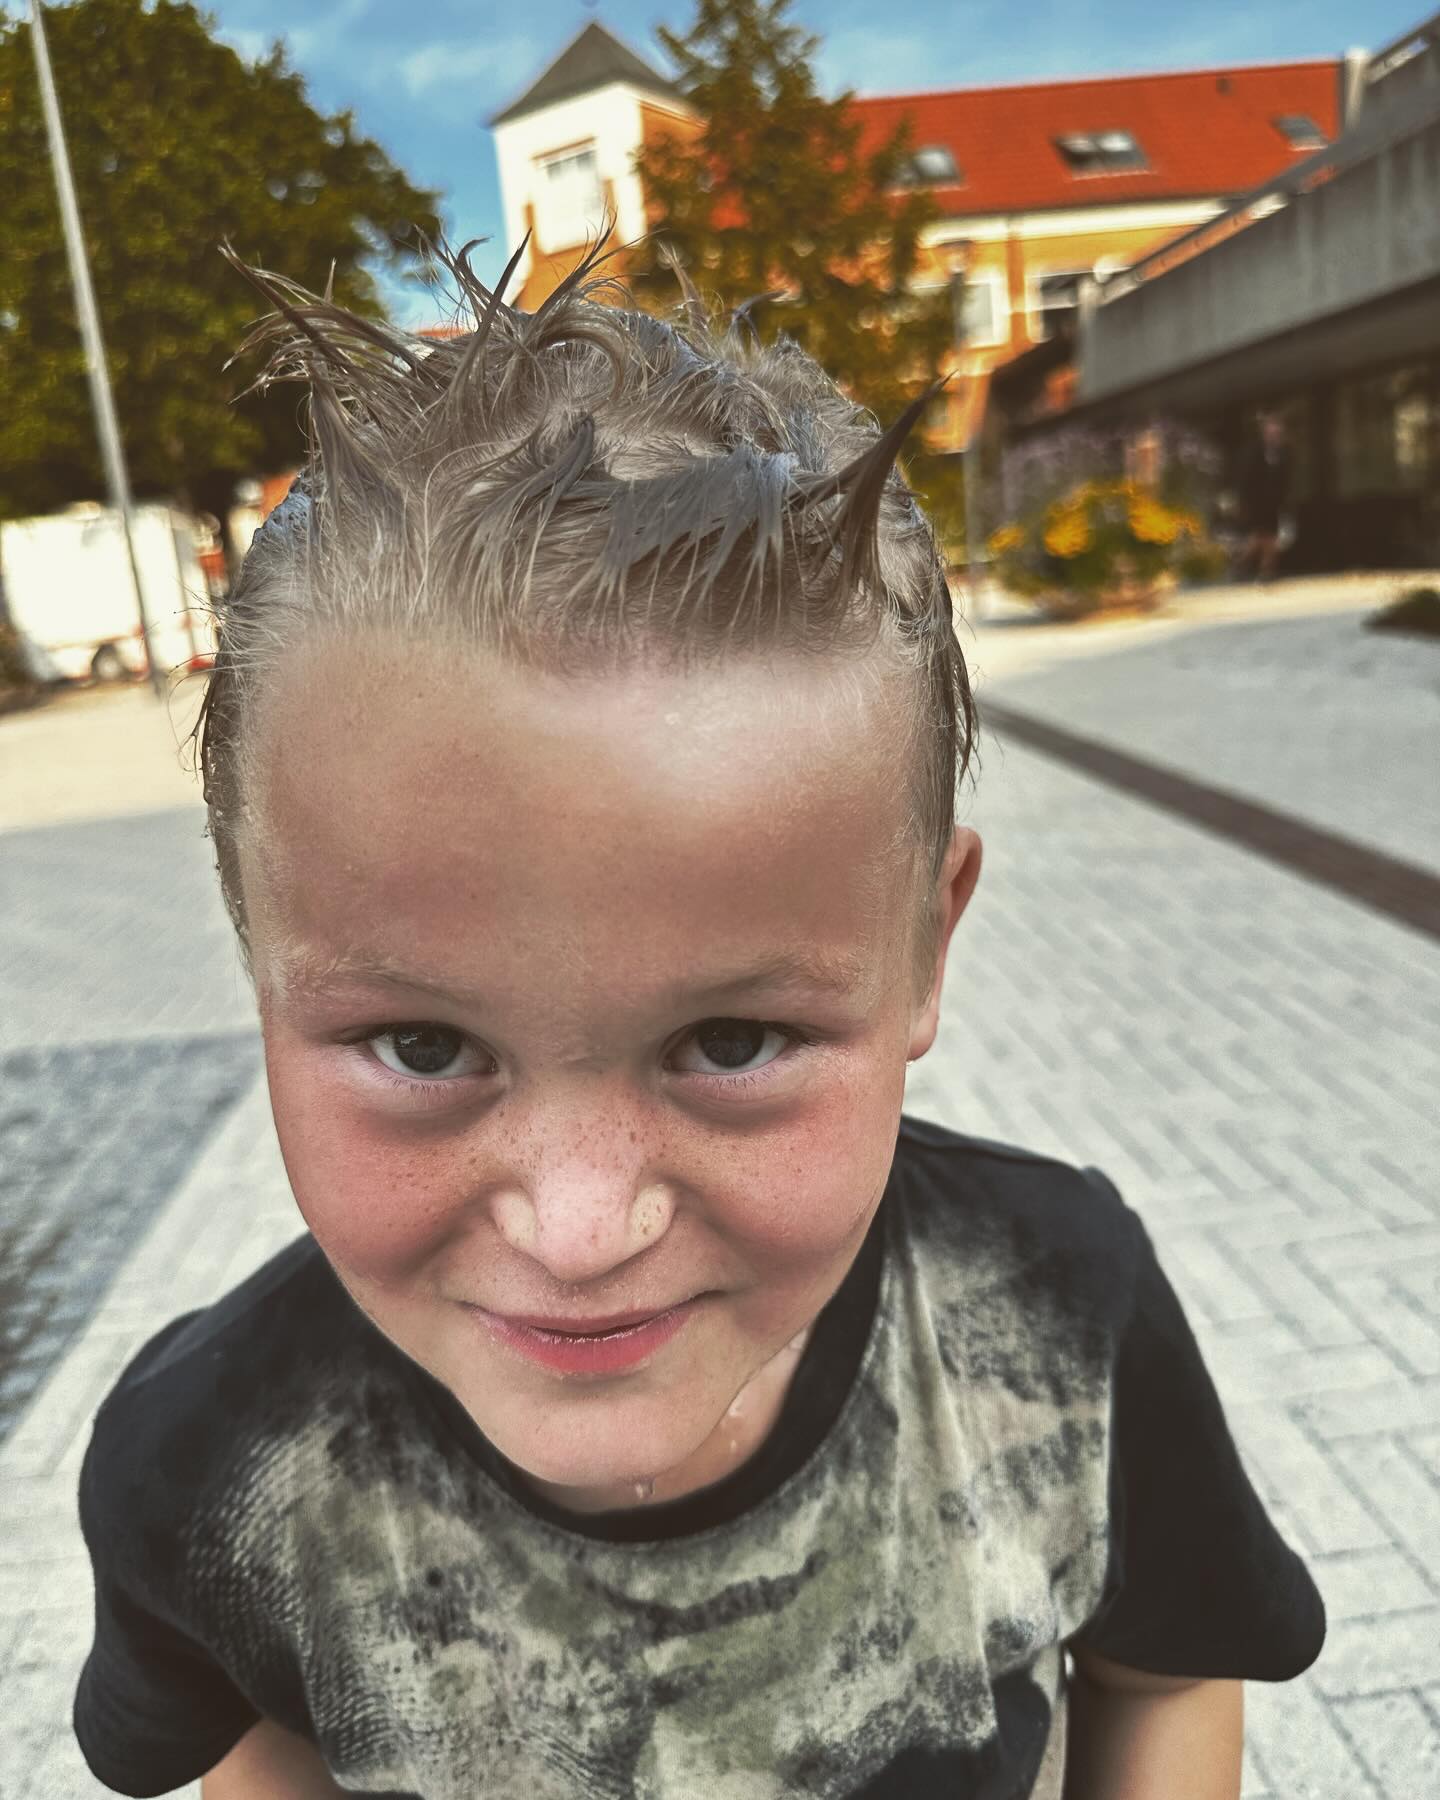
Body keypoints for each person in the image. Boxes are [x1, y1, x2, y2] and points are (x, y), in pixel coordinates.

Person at [72, 233, 1324, 1800]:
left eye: (731, 1043)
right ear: (262, 959)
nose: (581, 1229)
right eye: (425, 1048)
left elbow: (1165, 1677)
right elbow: (267, 1750)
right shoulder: (215, 1466)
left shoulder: (1058, 1308)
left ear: (924, 949)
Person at [1234, 412, 1295, 583]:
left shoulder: (1284, 453)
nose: (1274, 435)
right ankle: (1241, 564)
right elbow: (1245, 479)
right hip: (1256, 503)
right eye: (1271, 432)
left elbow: (1286, 480)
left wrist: (1286, 501)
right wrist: (1244, 502)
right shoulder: (1254, 452)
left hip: (1275, 503)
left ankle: (1266, 571)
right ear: (1264, 433)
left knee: (1271, 537)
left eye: (1277, 432)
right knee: (1258, 537)